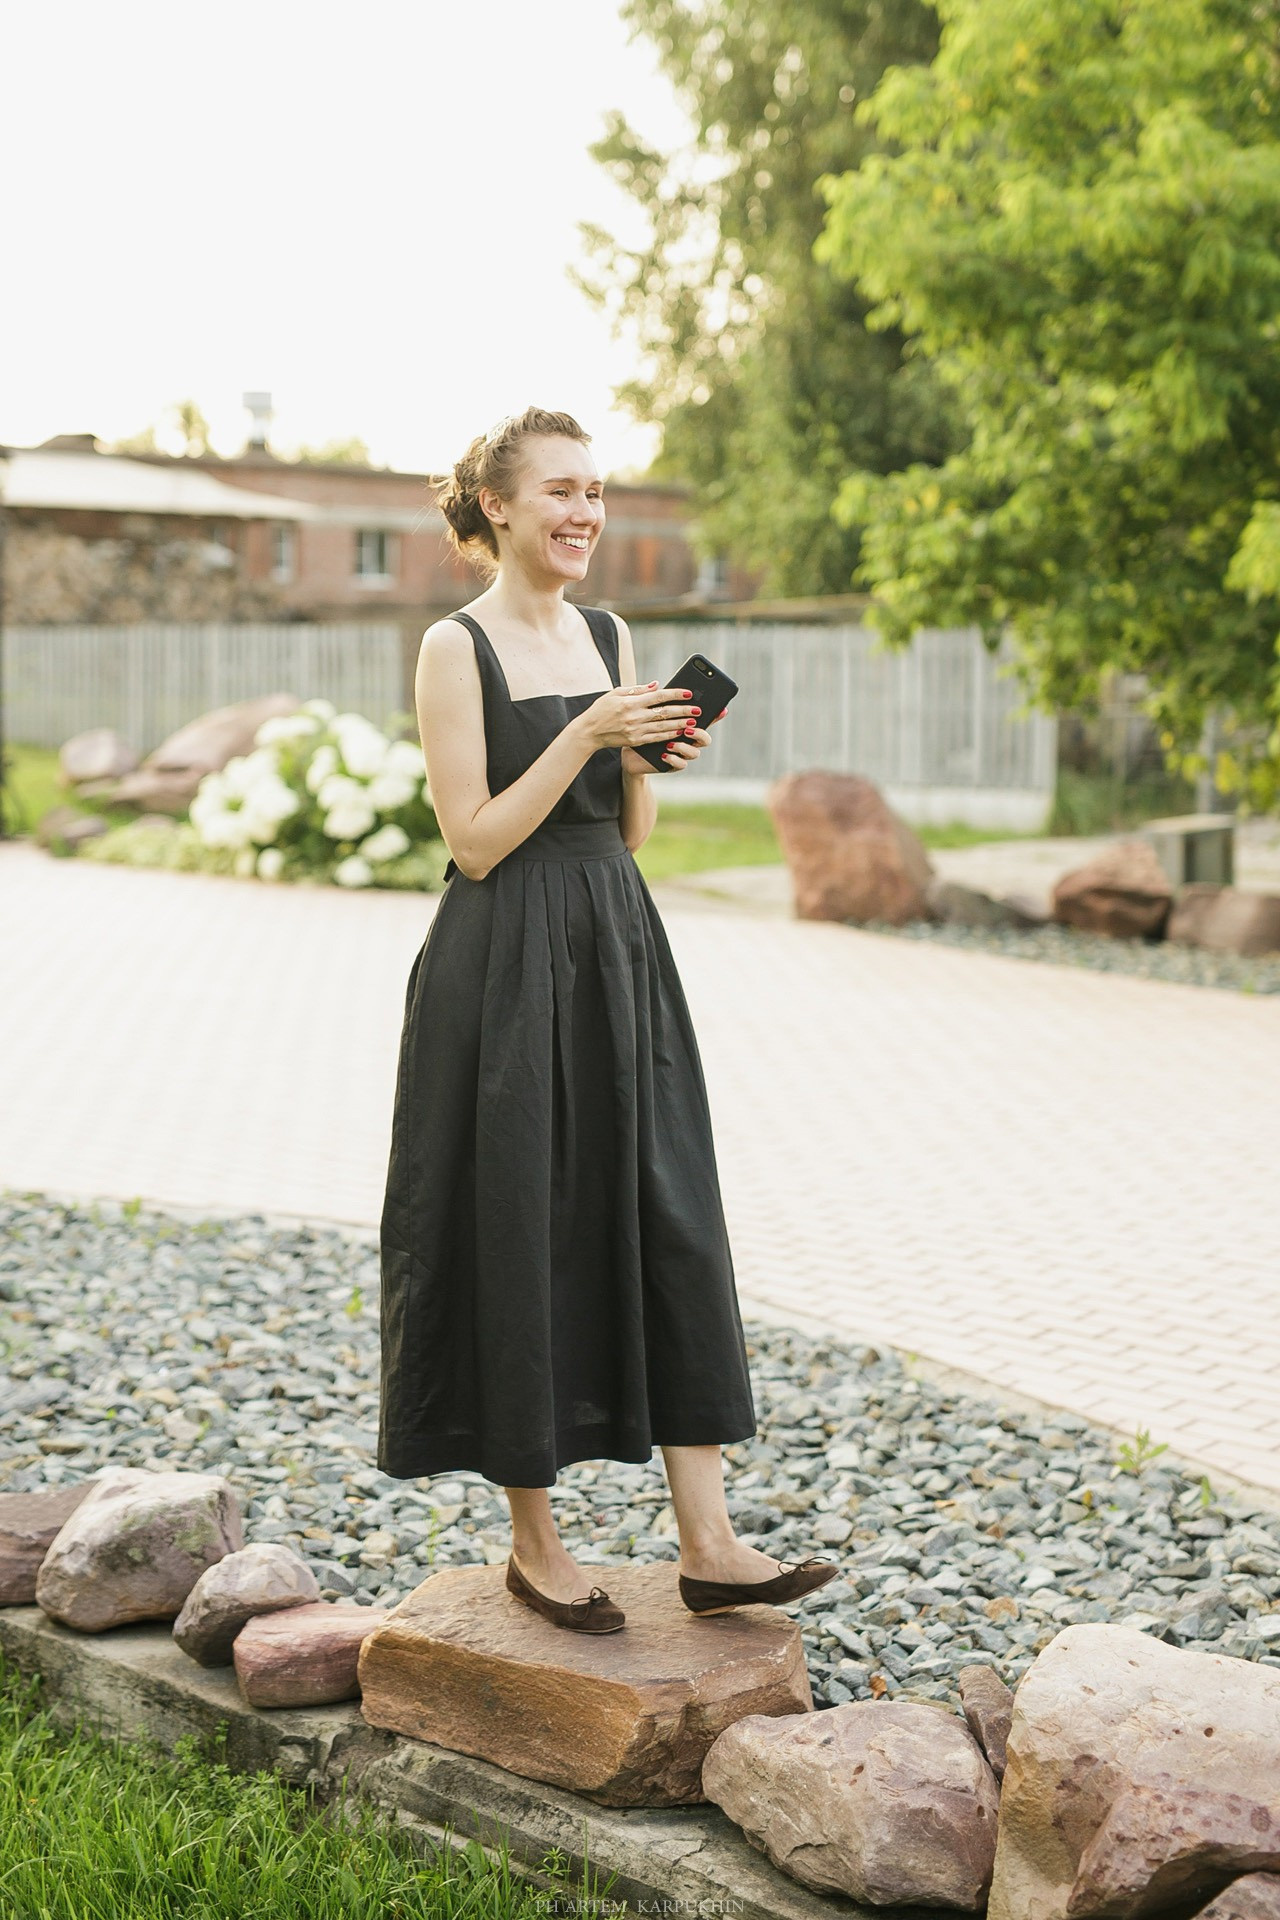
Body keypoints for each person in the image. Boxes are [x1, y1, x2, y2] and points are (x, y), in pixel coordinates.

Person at [377, 406, 836, 1632]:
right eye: (560, 492)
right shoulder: (451, 648)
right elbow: (472, 843)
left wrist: (640, 761)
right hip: (501, 964)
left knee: (664, 1209)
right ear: (497, 510)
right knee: (517, 1221)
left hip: (615, 942)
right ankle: (535, 1545)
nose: (584, 512)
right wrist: (585, 726)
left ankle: (710, 1541)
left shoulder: (609, 628)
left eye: (595, 491)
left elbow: (624, 835)